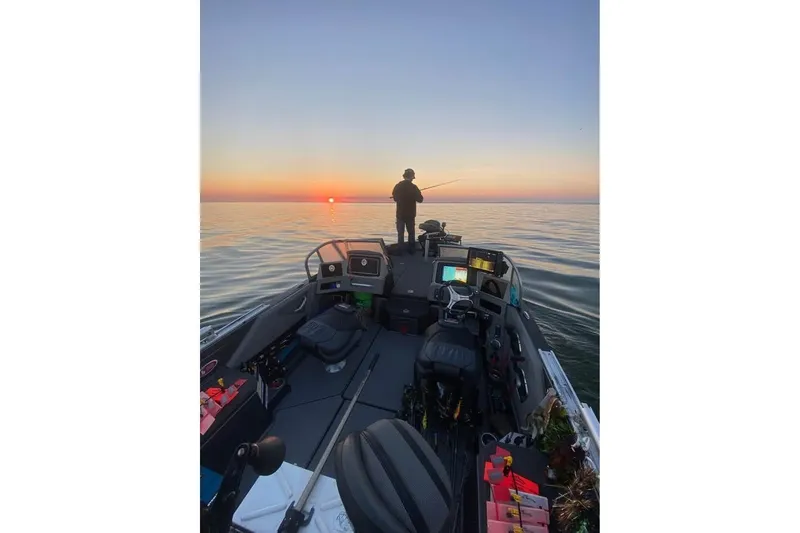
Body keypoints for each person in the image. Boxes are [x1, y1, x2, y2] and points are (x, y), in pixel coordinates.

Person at [391, 168, 424, 254]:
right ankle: (412, 250)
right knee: (411, 233)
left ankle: (400, 251)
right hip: (410, 215)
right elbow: (420, 199)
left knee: (400, 234)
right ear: (412, 177)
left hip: (400, 215)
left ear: (404, 176)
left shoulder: (398, 186)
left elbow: (395, 198)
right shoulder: (414, 187)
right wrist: (415, 194)